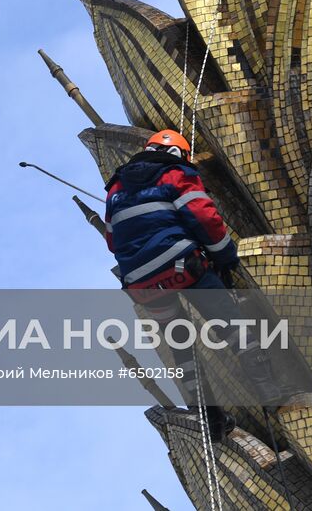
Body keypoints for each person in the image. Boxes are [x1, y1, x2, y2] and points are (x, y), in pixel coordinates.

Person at [105, 129, 241, 436]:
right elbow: (203, 217)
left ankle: (212, 421)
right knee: (230, 320)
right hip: (182, 267)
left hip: (142, 285)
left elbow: (112, 241)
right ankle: (270, 386)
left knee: (180, 343)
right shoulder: (176, 173)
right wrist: (225, 257)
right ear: (180, 154)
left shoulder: (115, 189)